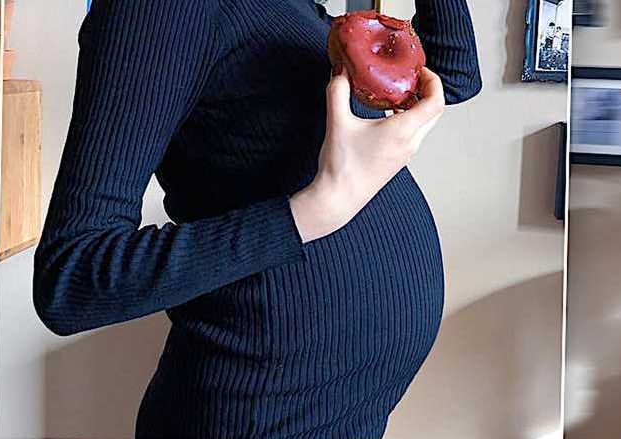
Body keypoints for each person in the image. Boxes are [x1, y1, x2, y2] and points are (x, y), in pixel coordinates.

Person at [33, 1, 481, 437]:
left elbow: (454, 75)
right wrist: (317, 209)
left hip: (344, 410)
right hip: (257, 411)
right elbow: (70, 279)